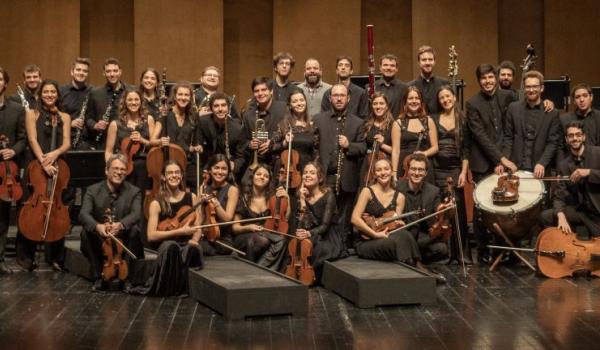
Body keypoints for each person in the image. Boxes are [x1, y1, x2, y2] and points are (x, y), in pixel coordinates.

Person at [351, 158, 446, 283]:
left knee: (403, 234)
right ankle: (420, 268)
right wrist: (375, 234)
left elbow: (393, 228)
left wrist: (398, 224)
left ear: (391, 172)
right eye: (379, 170)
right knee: (400, 240)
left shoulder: (399, 197)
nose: (383, 172)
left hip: (386, 238)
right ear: (374, 173)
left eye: (386, 169)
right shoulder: (367, 191)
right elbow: (354, 219)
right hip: (366, 241)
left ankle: (416, 266)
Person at [16, 80, 71, 271]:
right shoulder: (32, 113)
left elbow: (66, 143)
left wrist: (55, 154)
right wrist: (44, 162)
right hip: (36, 165)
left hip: (57, 165)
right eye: (46, 91)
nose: (49, 94)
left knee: (57, 210)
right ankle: (26, 256)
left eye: (53, 91)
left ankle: (55, 256)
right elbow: (32, 139)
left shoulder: (64, 116)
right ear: (40, 94)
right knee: (30, 209)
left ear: (57, 94)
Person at [467, 64, 517, 262]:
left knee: (502, 207)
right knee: (482, 209)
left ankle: (501, 250)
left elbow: (509, 131)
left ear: (495, 78)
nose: (487, 81)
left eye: (490, 77)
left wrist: (503, 160)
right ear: (479, 81)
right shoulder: (472, 103)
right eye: (483, 78)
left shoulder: (508, 97)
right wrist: (500, 159)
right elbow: (480, 136)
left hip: (502, 161)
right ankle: (482, 251)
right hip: (482, 163)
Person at [79, 154, 145, 291]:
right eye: (115, 168)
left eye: (122, 169)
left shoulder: (134, 191)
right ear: (106, 170)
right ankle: (98, 276)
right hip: (101, 238)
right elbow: (83, 214)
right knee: (86, 232)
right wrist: (98, 226)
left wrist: (121, 225)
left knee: (134, 231)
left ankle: (127, 278)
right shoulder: (92, 190)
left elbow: (136, 214)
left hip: (123, 237)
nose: (119, 172)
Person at [139, 160, 203, 296]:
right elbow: (151, 235)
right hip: (166, 244)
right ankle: (169, 289)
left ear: (181, 175)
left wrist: (195, 239)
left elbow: (198, 225)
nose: (174, 176)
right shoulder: (156, 203)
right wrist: (180, 231)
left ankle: (187, 290)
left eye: (177, 172)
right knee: (171, 246)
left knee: (193, 248)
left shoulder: (192, 197)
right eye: (170, 173)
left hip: (186, 243)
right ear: (163, 177)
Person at [313, 84, 366, 244]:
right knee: (325, 213)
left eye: (342, 95)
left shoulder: (357, 122)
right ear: (330, 98)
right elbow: (313, 146)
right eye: (335, 95)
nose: (338, 98)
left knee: (344, 215)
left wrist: (349, 145)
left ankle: (341, 246)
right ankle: (326, 244)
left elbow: (363, 147)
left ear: (348, 98)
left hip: (346, 177)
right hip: (325, 176)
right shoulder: (318, 119)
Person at [432, 85, 472, 263]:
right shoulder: (434, 118)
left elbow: (465, 150)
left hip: (456, 169)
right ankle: (445, 253)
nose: (445, 100)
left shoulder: (463, 119)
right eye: (441, 98)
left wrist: (463, 172)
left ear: (454, 97)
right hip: (437, 169)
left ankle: (462, 254)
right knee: (442, 212)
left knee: (459, 211)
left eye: (448, 96)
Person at [540, 121, 600, 239]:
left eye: (578, 135)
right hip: (581, 212)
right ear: (567, 139)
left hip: (598, 213)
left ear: (583, 137)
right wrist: (561, 216)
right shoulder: (564, 165)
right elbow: (559, 196)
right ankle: (567, 248)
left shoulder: (598, 153)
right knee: (545, 216)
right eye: (571, 136)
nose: (575, 138)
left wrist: (589, 172)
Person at [502, 71, 561, 178]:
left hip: (539, 169)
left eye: (535, 86)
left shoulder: (553, 113)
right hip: (515, 168)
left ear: (541, 88)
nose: (531, 90)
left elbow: (553, 143)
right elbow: (508, 138)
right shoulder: (513, 108)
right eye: (528, 87)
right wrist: (505, 160)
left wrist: (542, 162)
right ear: (524, 88)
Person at [293, 162, 346, 282]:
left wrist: (308, 234)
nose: (307, 175)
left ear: (320, 178)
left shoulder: (328, 195)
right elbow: (303, 224)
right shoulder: (301, 196)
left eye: (312, 173)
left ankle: (309, 276)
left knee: (318, 249)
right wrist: (302, 201)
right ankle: (296, 274)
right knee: (297, 245)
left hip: (327, 235)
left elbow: (325, 225)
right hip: (310, 233)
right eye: (305, 172)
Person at [232, 164, 288, 270]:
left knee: (282, 240)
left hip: (264, 234)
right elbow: (235, 228)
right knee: (259, 240)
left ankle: (259, 268)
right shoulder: (243, 198)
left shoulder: (272, 199)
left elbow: (285, 217)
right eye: (258, 174)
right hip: (244, 236)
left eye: (266, 176)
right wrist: (249, 227)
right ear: (252, 176)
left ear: (269, 180)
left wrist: (286, 198)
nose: (262, 177)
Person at [396, 154, 449, 263]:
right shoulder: (397, 187)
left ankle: (409, 256)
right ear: (408, 170)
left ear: (426, 173)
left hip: (422, 236)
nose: (416, 173)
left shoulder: (433, 191)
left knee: (441, 249)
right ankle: (414, 257)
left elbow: (437, 213)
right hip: (403, 233)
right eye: (413, 169)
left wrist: (445, 209)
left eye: (420, 170)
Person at [105, 89, 159, 192]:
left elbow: (154, 145)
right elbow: (108, 151)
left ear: (141, 101)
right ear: (124, 102)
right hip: (124, 165)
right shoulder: (115, 124)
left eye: (136, 99)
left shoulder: (149, 120)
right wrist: (110, 168)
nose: (133, 103)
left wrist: (142, 140)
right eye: (130, 100)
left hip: (144, 166)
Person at [0, 67, 27, 275]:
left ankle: (0, 259)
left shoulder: (16, 109)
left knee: (2, 217)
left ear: (5, 83)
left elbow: (23, 138)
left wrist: (13, 150)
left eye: (0, 79)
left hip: (7, 171)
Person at [155, 82, 202, 188]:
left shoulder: (193, 116)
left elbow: (196, 142)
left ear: (190, 98)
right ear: (175, 96)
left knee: (198, 179)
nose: (183, 98)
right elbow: (153, 140)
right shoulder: (165, 114)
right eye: (180, 94)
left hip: (186, 161)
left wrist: (197, 147)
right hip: (167, 159)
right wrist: (160, 141)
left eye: (186, 95)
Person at [196, 92, 247, 181]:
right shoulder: (203, 122)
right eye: (216, 106)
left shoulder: (238, 128)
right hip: (208, 168)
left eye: (223, 105)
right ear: (211, 108)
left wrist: (234, 165)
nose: (220, 109)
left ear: (228, 108)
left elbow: (241, 156)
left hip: (228, 170)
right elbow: (198, 145)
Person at [390, 86, 438, 181]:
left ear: (421, 102)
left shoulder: (429, 121)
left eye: (417, 98)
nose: (414, 101)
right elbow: (395, 151)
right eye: (410, 98)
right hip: (404, 168)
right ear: (405, 102)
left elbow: (435, 147)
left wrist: (424, 153)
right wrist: (394, 173)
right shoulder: (398, 123)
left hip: (424, 165)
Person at [241, 77, 288, 173]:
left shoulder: (283, 109)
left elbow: (289, 135)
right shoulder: (248, 115)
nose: (260, 93)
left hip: (279, 163)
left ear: (271, 91)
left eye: (264, 90)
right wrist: (250, 144)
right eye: (256, 91)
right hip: (256, 165)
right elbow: (243, 141)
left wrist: (273, 144)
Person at [199, 154, 240, 256]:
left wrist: (216, 203)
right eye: (216, 168)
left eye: (224, 169)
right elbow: (200, 217)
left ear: (228, 171)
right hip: (206, 236)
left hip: (223, 240)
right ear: (210, 169)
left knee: (200, 249)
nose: (220, 172)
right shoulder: (203, 188)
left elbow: (227, 219)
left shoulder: (232, 190)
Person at [271, 90, 318, 178]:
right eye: (295, 101)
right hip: (288, 170)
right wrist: (284, 143)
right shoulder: (284, 124)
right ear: (290, 105)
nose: (299, 103)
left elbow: (316, 151)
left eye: (301, 100)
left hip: (307, 169)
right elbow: (272, 147)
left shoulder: (313, 124)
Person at [86, 57, 127, 149]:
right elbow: (88, 118)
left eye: (115, 71)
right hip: (103, 142)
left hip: (126, 141)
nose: (112, 74)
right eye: (108, 71)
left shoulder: (130, 91)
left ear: (120, 71)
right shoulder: (95, 93)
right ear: (103, 73)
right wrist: (95, 125)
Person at [360, 92, 394, 187]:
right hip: (367, 166)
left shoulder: (393, 125)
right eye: (375, 104)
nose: (378, 107)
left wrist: (382, 144)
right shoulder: (367, 124)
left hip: (385, 167)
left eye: (381, 103)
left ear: (387, 106)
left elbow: (396, 151)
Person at [60, 57, 93, 150]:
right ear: (72, 72)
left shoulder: (93, 92)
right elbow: (55, 116)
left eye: (85, 71)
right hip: (65, 141)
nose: (81, 73)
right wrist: (69, 123)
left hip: (87, 143)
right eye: (78, 70)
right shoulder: (61, 91)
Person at [409, 46, 449, 115]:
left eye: (430, 59)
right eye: (424, 60)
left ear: (434, 62)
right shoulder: (410, 86)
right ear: (419, 62)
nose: (427, 63)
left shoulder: (445, 83)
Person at [375, 54, 408, 118]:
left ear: (396, 69)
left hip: (398, 125)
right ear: (380, 68)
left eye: (392, 66)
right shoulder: (371, 87)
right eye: (385, 65)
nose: (389, 68)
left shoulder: (404, 88)